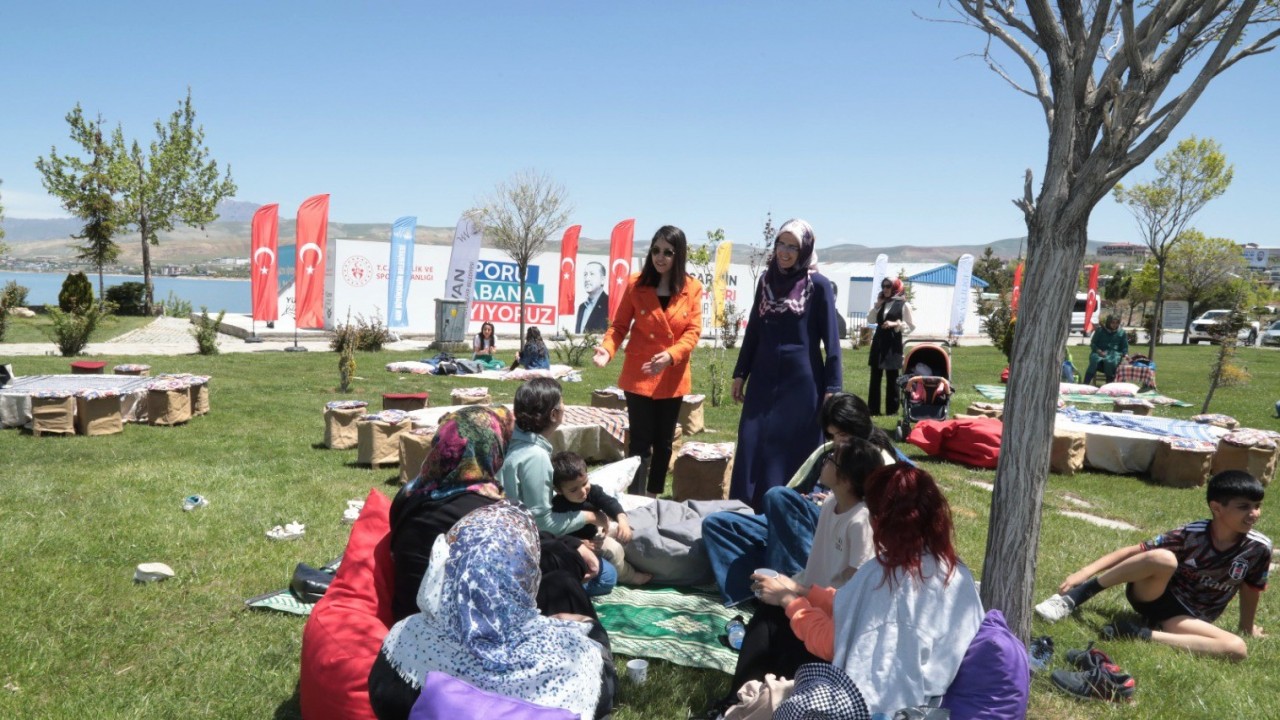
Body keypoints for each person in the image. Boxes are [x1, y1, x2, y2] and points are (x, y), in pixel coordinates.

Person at [751, 464, 983, 716]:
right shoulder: (954, 569)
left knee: (770, 619)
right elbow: (853, 607)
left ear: (878, 520)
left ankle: (736, 704)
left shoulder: (887, 579)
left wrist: (788, 601)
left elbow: (831, 643)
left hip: (884, 708)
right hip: (937, 698)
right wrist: (801, 590)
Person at [370, 503, 615, 720]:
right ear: (527, 572)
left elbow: (385, 704)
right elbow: (601, 701)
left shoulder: (407, 639)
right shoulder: (577, 659)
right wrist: (591, 628)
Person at [387, 405, 601, 622]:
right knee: (565, 582)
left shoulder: (411, 494)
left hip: (410, 617)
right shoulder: (487, 510)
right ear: (492, 451)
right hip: (458, 625)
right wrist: (575, 553)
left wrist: (572, 543)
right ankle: (593, 642)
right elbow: (534, 558)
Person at [1034, 470, 1270, 660]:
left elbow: (1251, 587)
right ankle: (1074, 597)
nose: (1254, 513)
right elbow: (1133, 551)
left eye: (1257, 505)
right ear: (1217, 508)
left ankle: (1137, 633)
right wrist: (1083, 573)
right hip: (1154, 595)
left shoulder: (1258, 548)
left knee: (1237, 648)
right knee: (1162, 558)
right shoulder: (1192, 534)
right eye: (1244, 507)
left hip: (1187, 618)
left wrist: (1246, 627)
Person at [702, 392, 897, 606]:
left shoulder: (875, 461)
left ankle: (787, 596)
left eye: (842, 434)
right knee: (718, 524)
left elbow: (872, 516)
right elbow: (795, 492)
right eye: (833, 435)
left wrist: (831, 498)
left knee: (777, 497)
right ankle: (751, 596)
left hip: (828, 528)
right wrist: (805, 499)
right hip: (800, 521)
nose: (837, 442)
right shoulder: (830, 454)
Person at [723, 438, 883, 698]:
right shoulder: (831, 503)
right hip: (814, 599)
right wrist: (794, 587)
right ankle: (743, 700)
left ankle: (740, 702)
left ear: (846, 480)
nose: (824, 462)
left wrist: (792, 596)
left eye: (831, 460)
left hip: (830, 627)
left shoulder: (861, 521)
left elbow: (850, 596)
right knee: (767, 608)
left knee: (772, 619)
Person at [730, 218, 842, 511]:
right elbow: (754, 330)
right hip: (763, 380)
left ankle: (784, 513)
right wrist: (741, 373)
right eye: (781, 243)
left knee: (788, 450)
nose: (785, 251)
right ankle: (745, 512)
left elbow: (832, 341)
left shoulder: (818, 286)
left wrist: (833, 388)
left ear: (805, 249)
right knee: (752, 443)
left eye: (793, 246)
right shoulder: (766, 281)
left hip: (802, 385)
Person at [593, 225, 704, 496]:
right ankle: (636, 497)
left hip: (672, 376)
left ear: (679, 255)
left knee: (664, 442)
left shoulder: (692, 287)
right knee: (640, 442)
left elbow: (693, 331)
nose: (660, 257)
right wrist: (607, 349)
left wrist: (671, 355)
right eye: (656, 250)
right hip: (639, 375)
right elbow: (619, 326)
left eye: (668, 252)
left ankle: (653, 496)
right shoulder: (636, 283)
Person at [500, 378, 617, 596]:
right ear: (554, 414)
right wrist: (590, 517)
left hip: (512, 535)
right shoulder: (535, 457)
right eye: (562, 403)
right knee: (607, 576)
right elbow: (542, 524)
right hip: (520, 546)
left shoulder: (513, 441)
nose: (565, 407)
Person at [551, 451, 652, 585]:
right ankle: (629, 576)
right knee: (614, 549)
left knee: (628, 532)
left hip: (596, 532)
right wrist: (578, 543)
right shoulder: (557, 506)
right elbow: (556, 534)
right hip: (579, 544)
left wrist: (622, 520)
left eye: (584, 483)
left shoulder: (592, 491)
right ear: (559, 490)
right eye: (574, 490)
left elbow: (609, 503)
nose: (583, 491)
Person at [867, 277, 915, 416]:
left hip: (893, 344)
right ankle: (873, 409)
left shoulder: (904, 305)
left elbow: (911, 326)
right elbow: (870, 320)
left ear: (895, 287)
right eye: (883, 286)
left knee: (892, 377)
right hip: (879, 342)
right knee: (875, 377)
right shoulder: (882, 302)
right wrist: (877, 305)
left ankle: (892, 410)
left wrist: (895, 324)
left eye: (888, 286)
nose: (885, 289)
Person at [1084, 314, 1129, 384]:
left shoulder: (1121, 332)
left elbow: (1124, 346)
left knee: (1110, 361)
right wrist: (1099, 351)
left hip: (1114, 354)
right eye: (1113, 322)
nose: (1115, 325)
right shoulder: (1100, 330)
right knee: (1094, 360)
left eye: (1117, 323)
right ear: (1108, 322)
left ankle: (1108, 384)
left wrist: (1125, 354)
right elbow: (1093, 343)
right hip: (1099, 352)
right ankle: (1085, 383)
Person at [576, 261, 610, 334]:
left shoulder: (609, 305)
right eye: (585, 275)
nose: (587, 279)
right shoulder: (582, 307)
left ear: (602, 280)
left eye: (592, 274)